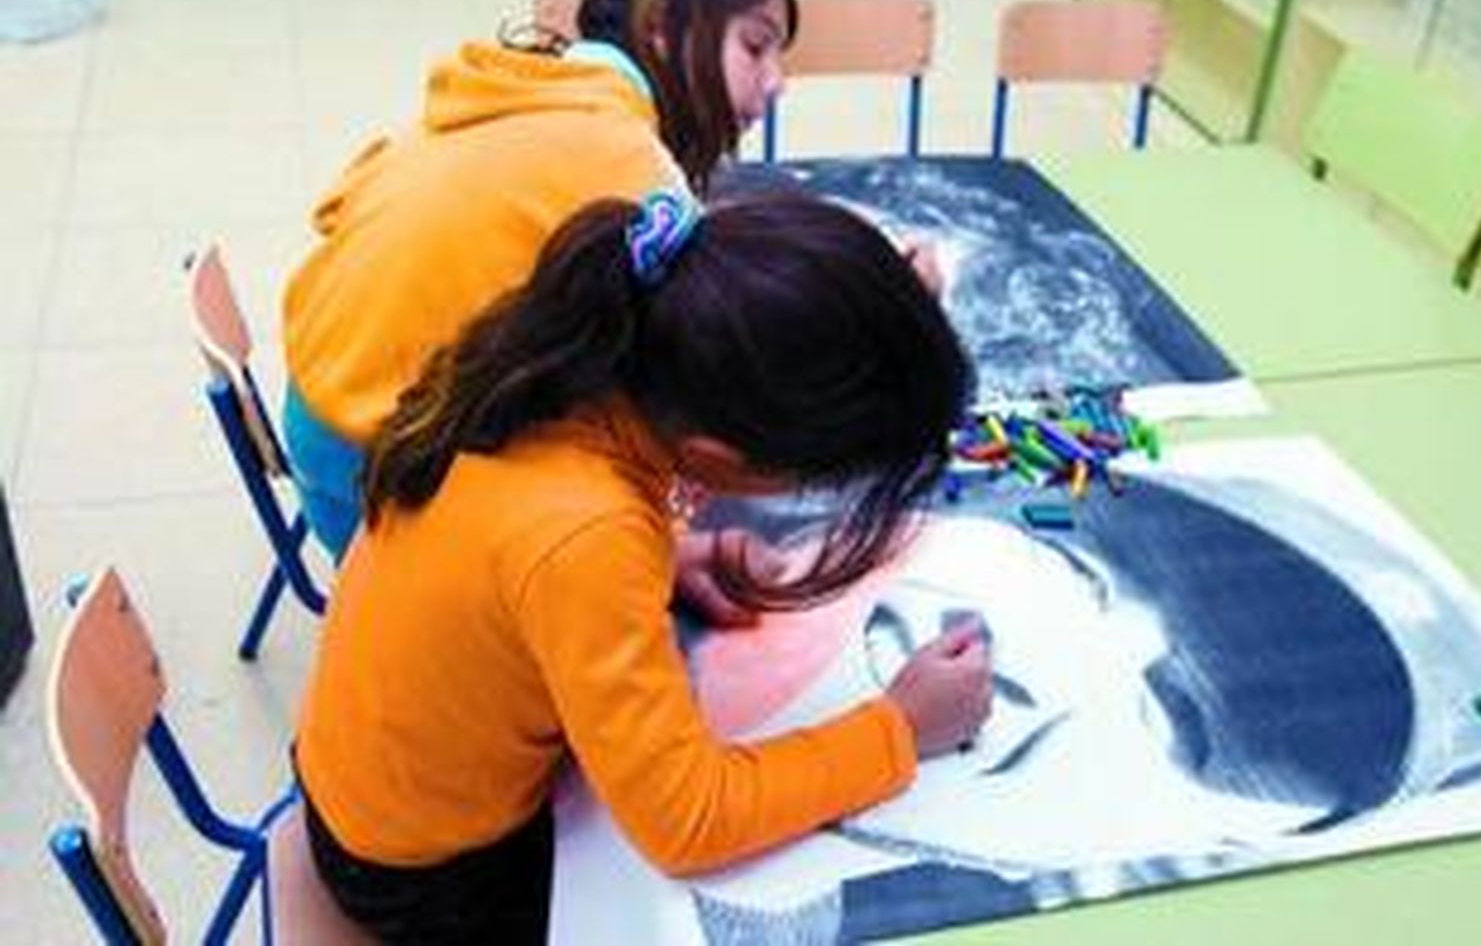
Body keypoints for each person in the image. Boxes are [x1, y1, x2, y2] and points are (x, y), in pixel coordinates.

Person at [294, 189, 995, 943]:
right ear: (716, 459)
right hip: (425, 875)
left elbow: (501, 562)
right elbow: (688, 822)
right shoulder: (587, 536)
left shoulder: (559, 367)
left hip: (358, 783)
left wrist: (670, 556)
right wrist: (900, 727)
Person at [280, 0, 797, 558]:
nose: (777, 82)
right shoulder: (628, 158)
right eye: (756, 47)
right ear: (662, 26)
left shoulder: (522, 81)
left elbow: (340, 210)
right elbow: (711, 361)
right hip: (383, 478)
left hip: (318, 412)